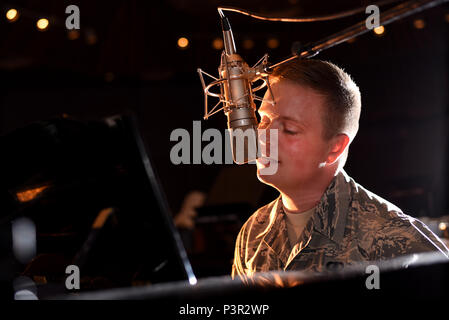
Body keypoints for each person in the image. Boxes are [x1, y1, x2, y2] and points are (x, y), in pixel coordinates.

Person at [231, 59, 449, 282]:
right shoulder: (253, 233)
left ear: (334, 148)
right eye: (264, 120)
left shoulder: (396, 243)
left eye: (289, 129)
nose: (264, 137)